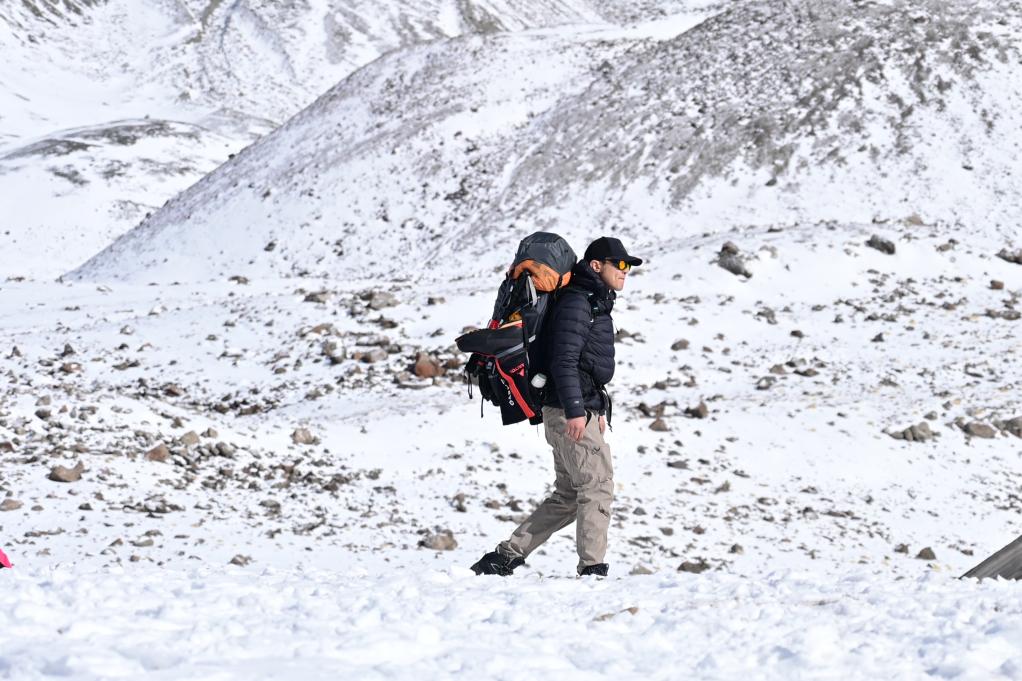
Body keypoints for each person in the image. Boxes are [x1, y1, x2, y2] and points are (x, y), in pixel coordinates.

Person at [470, 236, 642, 577]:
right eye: (619, 265)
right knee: (596, 487)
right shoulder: (578, 303)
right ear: (597, 266)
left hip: (573, 407)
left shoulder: (590, 300)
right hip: (568, 410)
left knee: (567, 494)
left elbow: (583, 364)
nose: (625, 272)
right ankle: (593, 569)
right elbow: (563, 360)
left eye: (628, 267)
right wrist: (577, 411)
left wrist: (595, 411)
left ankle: (505, 556)